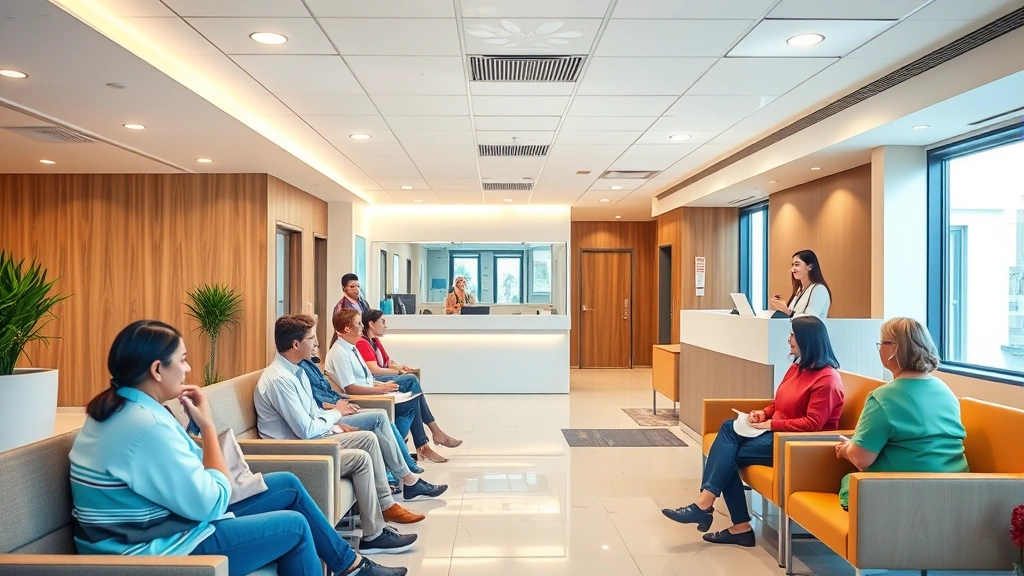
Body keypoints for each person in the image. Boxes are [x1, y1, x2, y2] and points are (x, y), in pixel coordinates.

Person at [68, 320, 404, 576]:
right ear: (157, 370)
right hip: (155, 549)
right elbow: (211, 503)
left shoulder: (122, 409)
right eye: (182, 360)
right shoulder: (147, 425)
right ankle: (351, 567)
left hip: (159, 527)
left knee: (287, 484)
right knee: (294, 527)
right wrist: (208, 426)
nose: (187, 369)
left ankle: (350, 566)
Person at [254, 315, 446, 555]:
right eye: (311, 338)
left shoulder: (296, 371)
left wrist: (336, 425)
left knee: (369, 437)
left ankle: (385, 509)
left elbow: (313, 414)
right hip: (298, 449)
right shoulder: (279, 380)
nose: (316, 343)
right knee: (362, 455)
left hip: (312, 438)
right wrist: (336, 415)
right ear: (295, 344)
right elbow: (305, 430)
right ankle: (376, 530)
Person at [662, 315, 844, 547]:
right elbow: (779, 403)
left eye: (793, 335)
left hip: (798, 446)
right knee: (728, 428)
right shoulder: (797, 368)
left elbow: (813, 424)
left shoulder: (827, 380)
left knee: (727, 456)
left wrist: (770, 425)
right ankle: (717, 513)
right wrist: (764, 413)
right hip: (777, 434)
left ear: (807, 340)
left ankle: (713, 510)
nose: (789, 339)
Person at [836, 317, 968, 509]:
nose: (879, 349)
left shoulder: (884, 397)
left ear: (893, 349)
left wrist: (846, 449)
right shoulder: (945, 391)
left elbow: (862, 458)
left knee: (849, 482)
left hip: (904, 493)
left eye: (882, 343)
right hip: (958, 491)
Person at [326, 309, 450, 465]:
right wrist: (381, 389)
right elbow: (350, 388)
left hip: (370, 390)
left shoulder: (352, 348)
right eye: (358, 324)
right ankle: (405, 454)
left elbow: (365, 378)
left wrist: (381, 384)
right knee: (411, 401)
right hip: (360, 398)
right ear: (347, 329)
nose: (362, 327)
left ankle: (403, 456)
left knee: (413, 400)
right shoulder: (340, 352)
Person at [299, 343, 423, 475]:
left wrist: (379, 385)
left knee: (397, 412)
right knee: (384, 415)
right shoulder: (336, 353)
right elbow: (341, 392)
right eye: (311, 339)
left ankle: (405, 466)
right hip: (330, 414)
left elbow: (363, 379)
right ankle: (405, 467)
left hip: (335, 408)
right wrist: (336, 410)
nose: (315, 344)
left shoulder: (311, 365)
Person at [357, 309, 462, 461]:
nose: (385, 326)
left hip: (383, 377)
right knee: (412, 381)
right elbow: (373, 369)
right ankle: (434, 436)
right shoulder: (362, 343)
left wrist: (400, 367)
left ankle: (426, 444)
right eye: (382, 322)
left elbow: (387, 362)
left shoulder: (375, 342)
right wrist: (399, 373)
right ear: (371, 324)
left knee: (415, 397)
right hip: (375, 381)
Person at [769, 249, 832, 318]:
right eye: (792, 265)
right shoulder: (799, 290)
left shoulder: (819, 289)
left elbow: (810, 318)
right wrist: (782, 308)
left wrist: (787, 311)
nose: (793, 269)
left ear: (810, 267)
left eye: (797, 265)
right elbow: (792, 315)